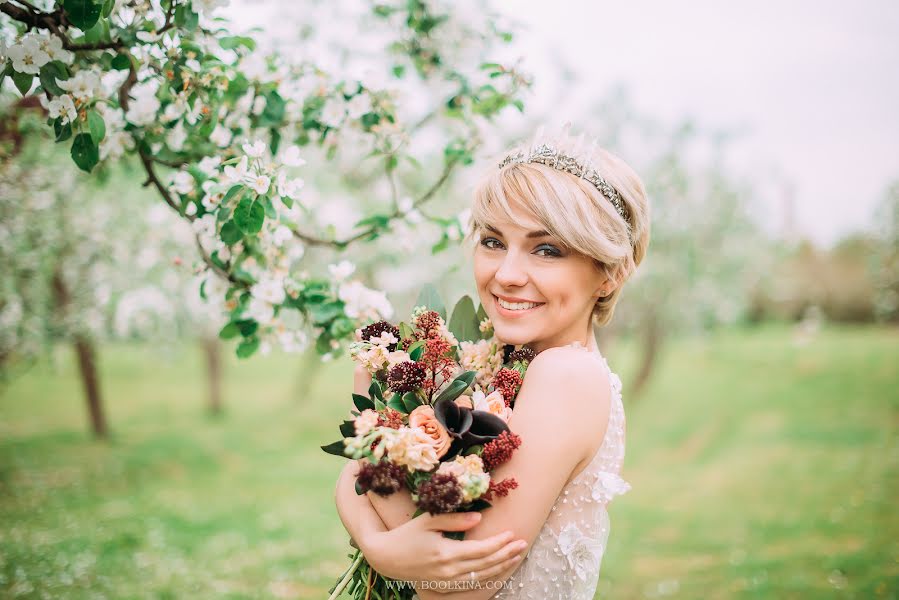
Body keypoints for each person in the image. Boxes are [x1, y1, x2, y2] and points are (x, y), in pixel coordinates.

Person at [334, 124, 651, 599]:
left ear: (608, 273)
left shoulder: (565, 375)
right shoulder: (504, 362)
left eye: (547, 250)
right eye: (493, 241)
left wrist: (373, 436)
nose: (506, 274)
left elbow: (457, 589)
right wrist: (376, 451)